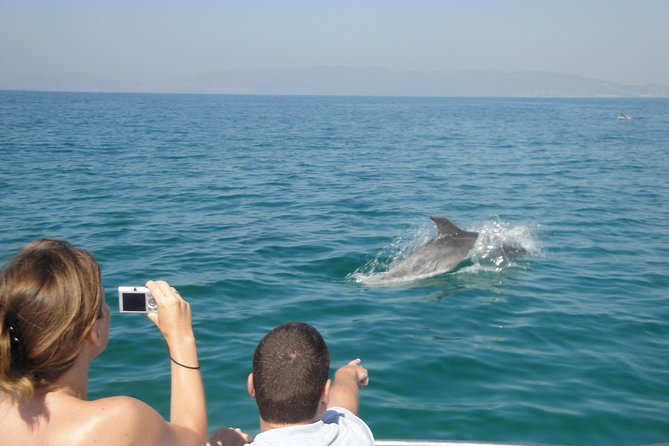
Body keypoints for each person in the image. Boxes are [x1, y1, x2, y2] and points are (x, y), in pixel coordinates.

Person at [0, 239, 207, 446]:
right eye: (103, 302)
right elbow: (194, 440)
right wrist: (180, 335)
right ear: (93, 332)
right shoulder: (120, 421)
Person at [209, 321, 374, 446]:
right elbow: (345, 400)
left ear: (251, 386)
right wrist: (348, 373)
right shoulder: (352, 435)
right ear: (326, 393)